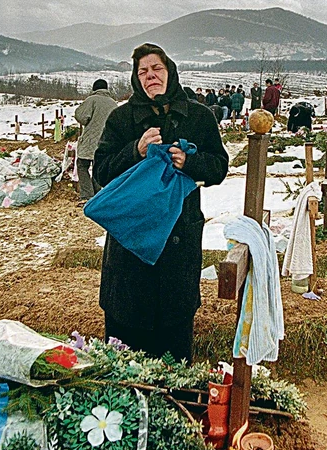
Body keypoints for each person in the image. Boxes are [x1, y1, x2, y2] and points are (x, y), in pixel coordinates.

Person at [93, 43, 229, 361]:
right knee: (126, 341)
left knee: (174, 338)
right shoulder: (121, 118)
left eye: (157, 68)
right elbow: (100, 171)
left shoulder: (199, 116)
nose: (150, 75)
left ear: (170, 72)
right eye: (143, 71)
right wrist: (135, 151)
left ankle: (172, 403)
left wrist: (191, 163)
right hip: (130, 245)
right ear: (135, 78)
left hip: (179, 239)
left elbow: (219, 167)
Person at [74, 79, 117, 204]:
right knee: (98, 167)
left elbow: (81, 117)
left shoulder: (91, 100)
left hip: (90, 140)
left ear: (94, 89)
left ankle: (87, 195)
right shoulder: (113, 103)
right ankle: (98, 194)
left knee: (82, 165)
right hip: (106, 141)